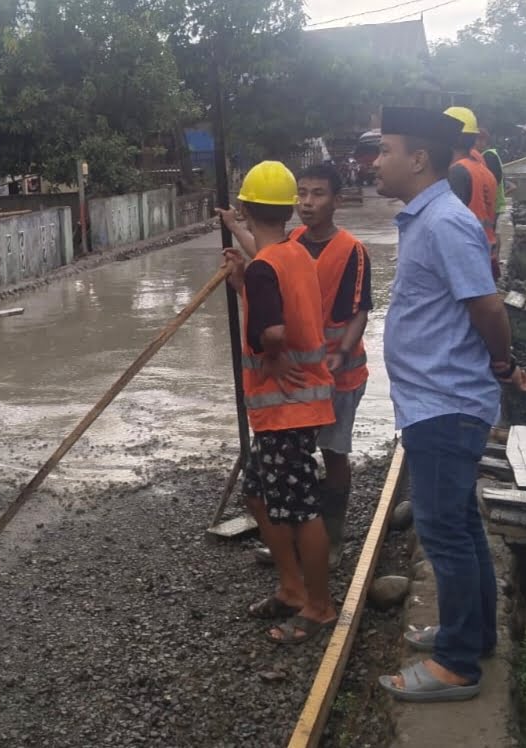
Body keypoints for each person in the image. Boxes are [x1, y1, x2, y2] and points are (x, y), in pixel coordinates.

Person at [372, 106, 526, 703]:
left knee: (442, 531)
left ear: (418, 158)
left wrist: (501, 364)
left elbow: (487, 307)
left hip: (445, 403)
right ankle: (474, 633)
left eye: (386, 150)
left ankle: (457, 665)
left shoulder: (444, 222)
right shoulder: (427, 219)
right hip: (435, 400)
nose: (375, 161)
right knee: (460, 526)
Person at [219, 163, 373, 569]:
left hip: (335, 373)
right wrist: (237, 229)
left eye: (318, 194)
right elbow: (265, 260)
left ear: (337, 200)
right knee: (296, 471)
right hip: (303, 376)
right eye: (301, 194)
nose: (308, 203)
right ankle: (301, 545)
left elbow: (360, 310)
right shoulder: (295, 244)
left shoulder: (351, 249)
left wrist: (341, 352)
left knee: (332, 456)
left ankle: (330, 541)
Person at [222, 161, 338, 646]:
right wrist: (244, 278)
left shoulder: (268, 268)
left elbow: (271, 328)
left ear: (247, 207)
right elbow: (270, 280)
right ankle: (291, 589)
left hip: (286, 406)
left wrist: (271, 357)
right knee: (256, 493)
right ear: (289, 209)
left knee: (301, 510)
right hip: (293, 407)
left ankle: (320, 606)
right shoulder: (294, 255)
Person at [445, 106, 500, 280]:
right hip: (484, 251)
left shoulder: (457, 173)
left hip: (466, 259)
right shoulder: (484, 171)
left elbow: (449, 228)